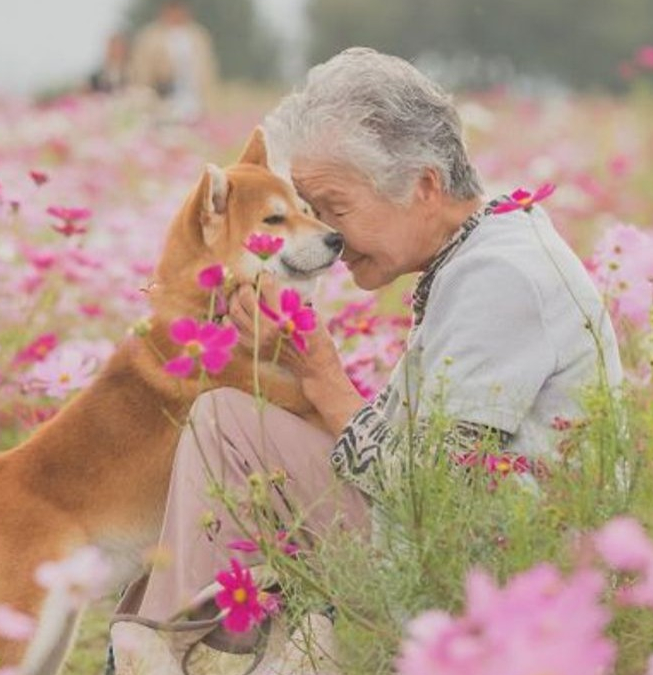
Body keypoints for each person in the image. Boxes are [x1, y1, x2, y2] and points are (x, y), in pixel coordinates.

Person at [109, 47, 624, 673]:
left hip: (495, 568)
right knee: (229, 422)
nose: (328, 236)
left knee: (226, 427)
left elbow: (435, 493)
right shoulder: (487, 246)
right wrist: (292, 363)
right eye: (311, 211)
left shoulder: (501, 274)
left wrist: (322, 374)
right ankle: (188, 644)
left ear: (425, 185)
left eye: (334, 209)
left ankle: (175, 651)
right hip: (466, 538)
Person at [128, 0, 219, 123]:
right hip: (162, 98)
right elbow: (142, 70)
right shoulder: (151, 36)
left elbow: (207, 70)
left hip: (195, 98)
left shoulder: (198, 36)